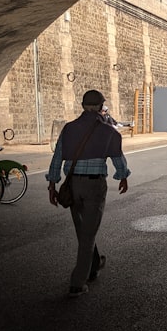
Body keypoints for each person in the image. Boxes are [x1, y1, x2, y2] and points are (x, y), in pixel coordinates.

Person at [47, 89, 130, 298]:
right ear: (102, 107)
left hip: (73, 185)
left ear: (83, 106)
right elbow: (118, 159)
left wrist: (52, 185)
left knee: (83, 229)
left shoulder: (68, 129)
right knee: (88, 233)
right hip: (94, 186)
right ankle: (77, 282)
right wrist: (122, 176)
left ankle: (93, 265)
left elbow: (57, 158)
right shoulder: (109, 131)